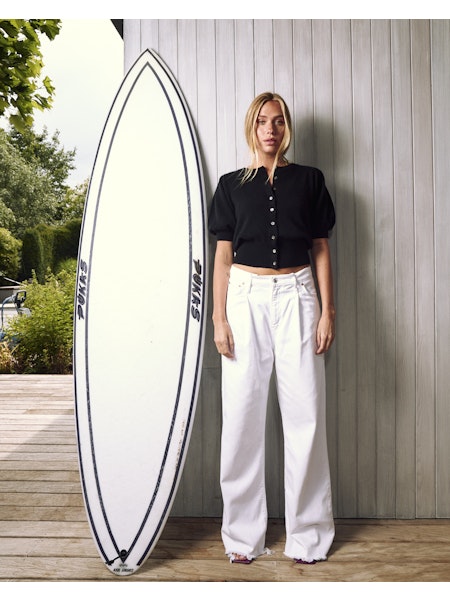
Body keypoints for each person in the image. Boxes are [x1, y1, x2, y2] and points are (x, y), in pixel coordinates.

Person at [208, 92, 336, 565]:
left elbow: (320, 247)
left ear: (286, 128)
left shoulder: (310, 180)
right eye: (263, 121)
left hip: (299, 296)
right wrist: (219, 317)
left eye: (279, 121)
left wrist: (327, 311)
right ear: (252, 127)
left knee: (306, 415)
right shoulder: (230, 186)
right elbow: (224, 256)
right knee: (242, 418)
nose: (271, 129)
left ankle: (310, 537)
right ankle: (243, 538)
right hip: (245, 299)